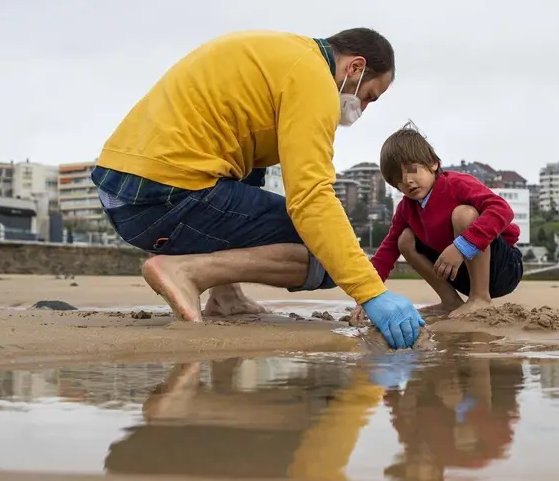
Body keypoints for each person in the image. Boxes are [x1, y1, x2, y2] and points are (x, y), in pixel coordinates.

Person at [90, 28, 425, 349]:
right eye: (367, 97)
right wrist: (371, 293)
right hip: (165, 196)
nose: (361, 110)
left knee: (293, 223)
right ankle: (183, 271)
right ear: (355, 66)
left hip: (124, 192)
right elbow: (311, 198)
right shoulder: (314, 80)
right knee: (322, 253)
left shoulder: (279, 56)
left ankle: (225, 296)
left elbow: (240, 180)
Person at [354, 127, 523, 321]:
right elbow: (387, 250)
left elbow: (503, 210)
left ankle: (480, 298)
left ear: (433, 163)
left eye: (412, 170)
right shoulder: (406, 208)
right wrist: (368, 294)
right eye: (399, 179)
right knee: (404, 239)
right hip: (459, 273)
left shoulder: (457, 184)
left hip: (502, 267)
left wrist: (462, 246)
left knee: (464, 214)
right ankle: (450, 301)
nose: (408, 181)